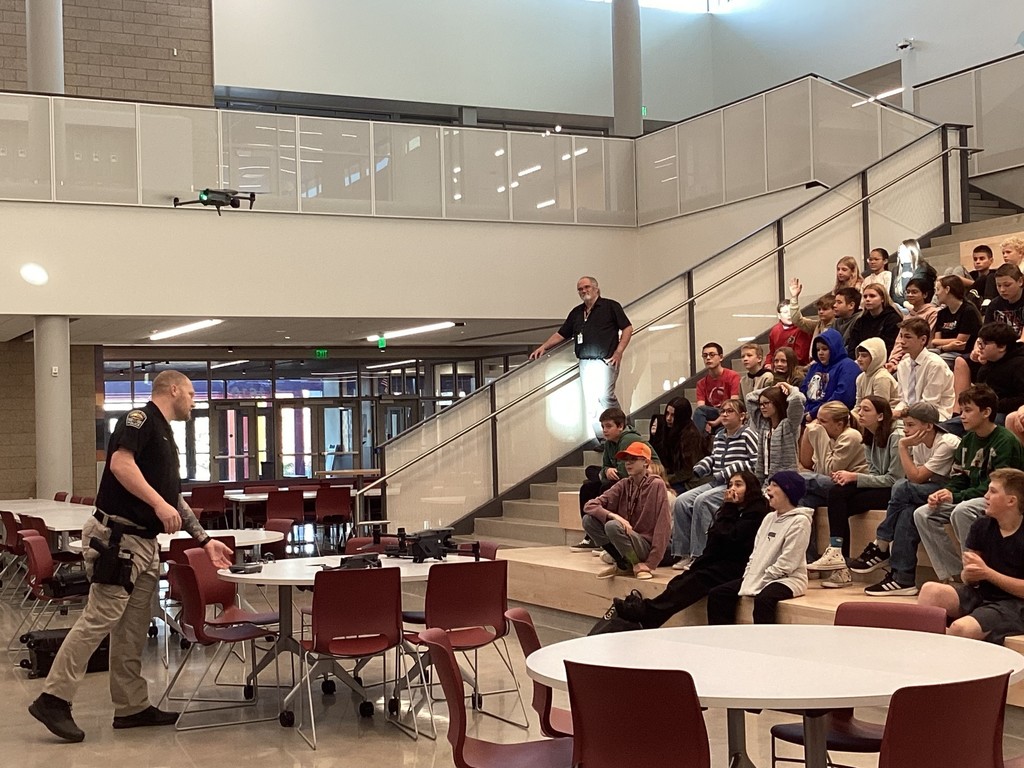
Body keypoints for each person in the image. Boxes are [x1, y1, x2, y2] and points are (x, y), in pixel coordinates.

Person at [28, 371, 233, 743]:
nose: (193, 401)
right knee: (99, 618)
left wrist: (204, 541)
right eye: (190, 394)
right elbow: (120, 465)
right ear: (172, 390)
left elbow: (172, 499)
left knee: (132, 627)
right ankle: (53, 698)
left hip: (144, 544)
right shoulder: (138, 420)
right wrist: (157, 503)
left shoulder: (166, 435)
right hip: (118, 540)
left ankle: (132, 706)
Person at [614, 471, 769, 628]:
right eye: (730, 485)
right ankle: (649, 614)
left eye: (738, 485)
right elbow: (715, 539)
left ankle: (646, 612)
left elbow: (731, 538)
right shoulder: (733, 510)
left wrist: (729, 507)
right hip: (722, 561)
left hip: (741, 565)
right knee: (681, 580)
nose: (732, 489)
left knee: (698, 579)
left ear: (750, 488)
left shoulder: (757, 512)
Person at [913, 385, 1024, 584]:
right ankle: (954, 576)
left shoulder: (1005, 441)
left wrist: (956, 496)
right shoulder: (967, 441)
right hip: (971, 496)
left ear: (986, 412)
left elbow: (1001, 486)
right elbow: (959, 477)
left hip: (999, 498)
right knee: (923, 514)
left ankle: (975, 575)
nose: (962, 416)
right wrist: (945, 491)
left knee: (962, 511)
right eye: (961, 410)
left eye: (968, 410)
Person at [853, 402, 961, 596]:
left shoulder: (947, 442)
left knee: (900, 487)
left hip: (951, 491)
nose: (906, 431)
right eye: (905, 425)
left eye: (910, 425)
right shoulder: (917, 443)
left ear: (928, 426)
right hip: (926, 492)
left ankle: (882, 543)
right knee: (908, 513)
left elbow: (916, 478)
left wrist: (902, 446)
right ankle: (902, 579)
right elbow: (916, 478)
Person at [917, 468, 1024, 645]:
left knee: (961, 629)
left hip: (1015, 603)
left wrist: (988, 573)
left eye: (993, 491)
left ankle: (944, 657)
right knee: (930, 590)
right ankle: (926, 648)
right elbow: (969, 579)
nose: (986, 496)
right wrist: (970, 574)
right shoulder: (981, 525)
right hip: (983, 593)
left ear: (1011, 501)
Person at [529, 275, 632, 440]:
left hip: (605, 360)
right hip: (585, 361)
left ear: (596, 288)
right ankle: (602, 438)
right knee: (591, 402)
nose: (584, 291)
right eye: (580, 289)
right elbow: (562, 333)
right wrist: (544, 346)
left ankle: (623, 431)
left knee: (606, 396)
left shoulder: (610, 306)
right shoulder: (577, 312)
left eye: (587, 287)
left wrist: (619, 351)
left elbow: (627, 328)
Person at [705, 471, 813, 625]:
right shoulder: (769, 517)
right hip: (761, 576)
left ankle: (763, 644)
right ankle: (723, 640)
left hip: (788, 580)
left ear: (788, 491)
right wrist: (750, 575)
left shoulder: (800, 522)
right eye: (769, 484)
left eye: (774, 485)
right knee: (718, 593)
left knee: (764, 600)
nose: (768, 489)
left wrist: (761, 579)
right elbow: (755, 553)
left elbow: (788, 563)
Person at [819, 396, 904, 588]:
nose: (860, 413)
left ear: (881, 415)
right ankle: (838, 557)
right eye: (861, 409)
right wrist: (852, 478)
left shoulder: (896, 436)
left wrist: (855, 477)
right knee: (837, 493)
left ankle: (840, 560)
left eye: (866, 410)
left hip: (896, 491)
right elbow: (874, 473)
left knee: (841, 499)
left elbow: (895, 479)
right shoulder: (869, 436)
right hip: (881, 486)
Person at [670, 398, 757, 570]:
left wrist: (730, 471)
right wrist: (704, 464)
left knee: (702, 501)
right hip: (717, 481)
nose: (724, 414)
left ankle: (701, 554)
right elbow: (715, 458)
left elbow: (755, 462)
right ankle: (684, 552)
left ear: (742, 416)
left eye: (729, 411)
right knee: (681, 501)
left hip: (734, 485)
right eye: (722, 411)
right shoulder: (719, 436)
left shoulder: (748, 434)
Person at [572, 407, 659, 552]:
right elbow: (606, 466)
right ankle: (592, 536)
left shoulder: (628, 439)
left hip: (643, 475)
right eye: (602, 427)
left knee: (605, 487)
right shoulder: (609, 443)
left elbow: (624, 472)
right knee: (587, 487)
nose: (604, 430)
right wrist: (606, 471)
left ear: (620, 426)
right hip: (621, 476)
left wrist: (605, 473)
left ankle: (609, 535)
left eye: (608, 426)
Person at [583, 442, 671, 581]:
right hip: (626, 540)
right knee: (589, 520)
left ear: (646, 463)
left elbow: (663, 526)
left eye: (633, 459)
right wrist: (614, 516)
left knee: (612, 526)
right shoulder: (624, 484)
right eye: (626, 460)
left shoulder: (656, 485)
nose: (628, 463)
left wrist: (650, 564)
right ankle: (623, 563)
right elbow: (589, 505)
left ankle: (636, 564)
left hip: (644, 544)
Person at [893, 316, 956, 421]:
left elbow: (929, 404)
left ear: (923, 340)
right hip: (909, 415)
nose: (902, 341)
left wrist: (900, 413)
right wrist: (894, 413)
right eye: (901, 336)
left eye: (907, 337)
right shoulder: (903, 365)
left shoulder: (935, 365)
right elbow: (904, 400)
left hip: (935, 417)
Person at [746, 382, 805, 483]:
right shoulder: (763, 424)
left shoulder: (789, 424)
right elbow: (749, 398)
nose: (762, 407)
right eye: (760, 404)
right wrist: (774, 387)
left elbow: (797, 399)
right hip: (763, 479)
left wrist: (788, 388)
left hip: (784, 481)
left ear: (777, 402)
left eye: (766, 403)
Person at [800, 328, 861, 421]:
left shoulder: (848, 366)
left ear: (834, 348)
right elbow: (803, 390)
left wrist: (813, 414)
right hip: (807, 413)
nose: (820, 353)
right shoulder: (814, 367)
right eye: (818, 349)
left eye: (825, 349)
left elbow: (842, 397)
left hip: (831, 417)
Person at [931, 274, 983, 368]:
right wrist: (948, 346)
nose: (936, 294)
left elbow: (960, 343)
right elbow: (935, 341)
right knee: (915, 358)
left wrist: (942, 345)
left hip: (963, 354)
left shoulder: (968, 311)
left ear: (947, 289)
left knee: (935, 364)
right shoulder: (942, 313)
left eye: (938, 290)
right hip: (944, 350)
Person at [885, 276, 938, 369]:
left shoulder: (932, 313)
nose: (910, 295)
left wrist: (901, 364)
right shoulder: (908, 316)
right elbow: (899, 341)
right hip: (904, 359)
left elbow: (926, 339)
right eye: (908, 292)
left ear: (924, 295)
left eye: (914, 292)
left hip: (922, 357)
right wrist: (893, 360)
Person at [692, 341, 741, 436]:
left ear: (721, 357)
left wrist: (716, 422)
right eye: (705, 356)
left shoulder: (733, 376)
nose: (708, 358)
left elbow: (734, 405)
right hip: (713, 414)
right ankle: (700, 443)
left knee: (721, 431)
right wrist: (707, 423)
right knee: (699, 412)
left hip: (729, 415)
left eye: (712, 355)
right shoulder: (701, 383)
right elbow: (701, 408)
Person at [660, 396, 706, 494]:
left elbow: (688, 471)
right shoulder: (668, 430)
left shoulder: (691, 435)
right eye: (667, 414)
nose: (668, 418)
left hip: (690, 481)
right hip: (676, 477)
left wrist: (666, 479)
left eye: (673, 415)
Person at [845, 283, 903, 358]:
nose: (867, 299)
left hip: (882, 361)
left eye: (872, 296)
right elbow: (852, 345)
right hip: (860, 360)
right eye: (865, 297)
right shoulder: (861, 320)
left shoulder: (893, 319)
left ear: (882, 299)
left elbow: (889, 346)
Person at [851, 337, 899, 424]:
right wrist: (848, 418)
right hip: (868, 416)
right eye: (859, 355)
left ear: (875, 358)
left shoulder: (881, 378)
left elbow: (880, 410)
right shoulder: (860, 378)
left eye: (864, 356)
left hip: (888, 421)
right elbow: (858, 406)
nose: (859, 359)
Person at [890, 238, 937, 310]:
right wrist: (905, 304)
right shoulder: (896, 270)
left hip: (921, 304)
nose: (900, 255)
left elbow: (914, 290)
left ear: (912, 252)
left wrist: (907, 267)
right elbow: (894, 295)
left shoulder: (923, 268)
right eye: (899, 252)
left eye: (903, 251)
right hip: (902, 306)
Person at [983, 263, 1024, 340]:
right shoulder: (994, 305)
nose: (1002, 290)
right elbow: (984, 336)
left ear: (1020, 281)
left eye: (1007, 285)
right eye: (998, 285)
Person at [964, 244, 998, 309]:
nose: (978, 262)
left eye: (982, 259)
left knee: (984, 278)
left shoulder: (994, 275)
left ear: (991, 261)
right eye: (975, 259)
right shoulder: (971, 274)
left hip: (981, 303)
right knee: (955, 270)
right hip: (967, 297)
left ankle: (986, 302)